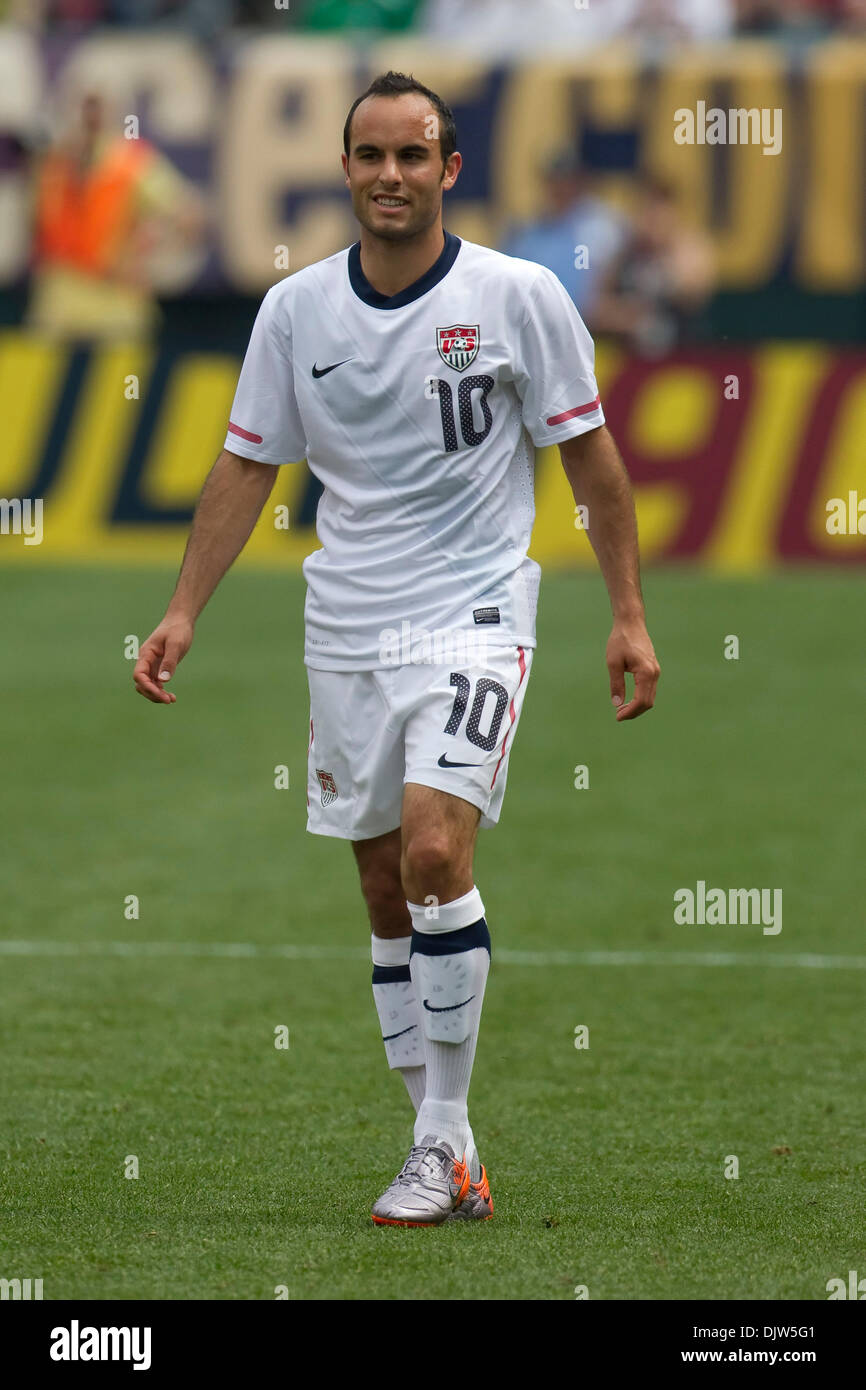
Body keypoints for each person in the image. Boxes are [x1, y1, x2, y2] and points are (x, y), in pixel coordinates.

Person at [133, 71, 660, 1227]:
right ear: (343, 167)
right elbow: (243, 465)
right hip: (346, 628)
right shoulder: (296, 312)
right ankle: (452, 1147)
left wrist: (625, 614)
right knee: (382, 890)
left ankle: (431, 1143)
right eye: (368, 155)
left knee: (432, 851)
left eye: (411, 156)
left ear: (449, 169)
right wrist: (182, 611)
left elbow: (593, 463)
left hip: (473, 616)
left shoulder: (518, 297)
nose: (388, 175)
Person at [29, 90, 203, 342]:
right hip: (60, 302)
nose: (88, 118)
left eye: (96, 108)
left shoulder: (131, 162)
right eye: (83, 107)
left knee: (120, 377)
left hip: (115, 304)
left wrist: (151, 256)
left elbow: (188, 216)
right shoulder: (52, 163)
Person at [592, 175, 714, 355]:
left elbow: (694, 295)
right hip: (630, 360)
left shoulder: (690, 249)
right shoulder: (623, 254)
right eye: (646, 209)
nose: (652, 218)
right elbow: (596, 308)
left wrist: (664, 258)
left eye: (659, 209)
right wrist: (628, 317)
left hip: (685, 357)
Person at [502, 151, 629, 323]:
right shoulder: (527, 231)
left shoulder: (602, 225)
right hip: (533, 323)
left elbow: (608, 283)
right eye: (554, 180)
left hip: (587, 327)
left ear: (579, 182)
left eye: (567, 180)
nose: (560, 187)